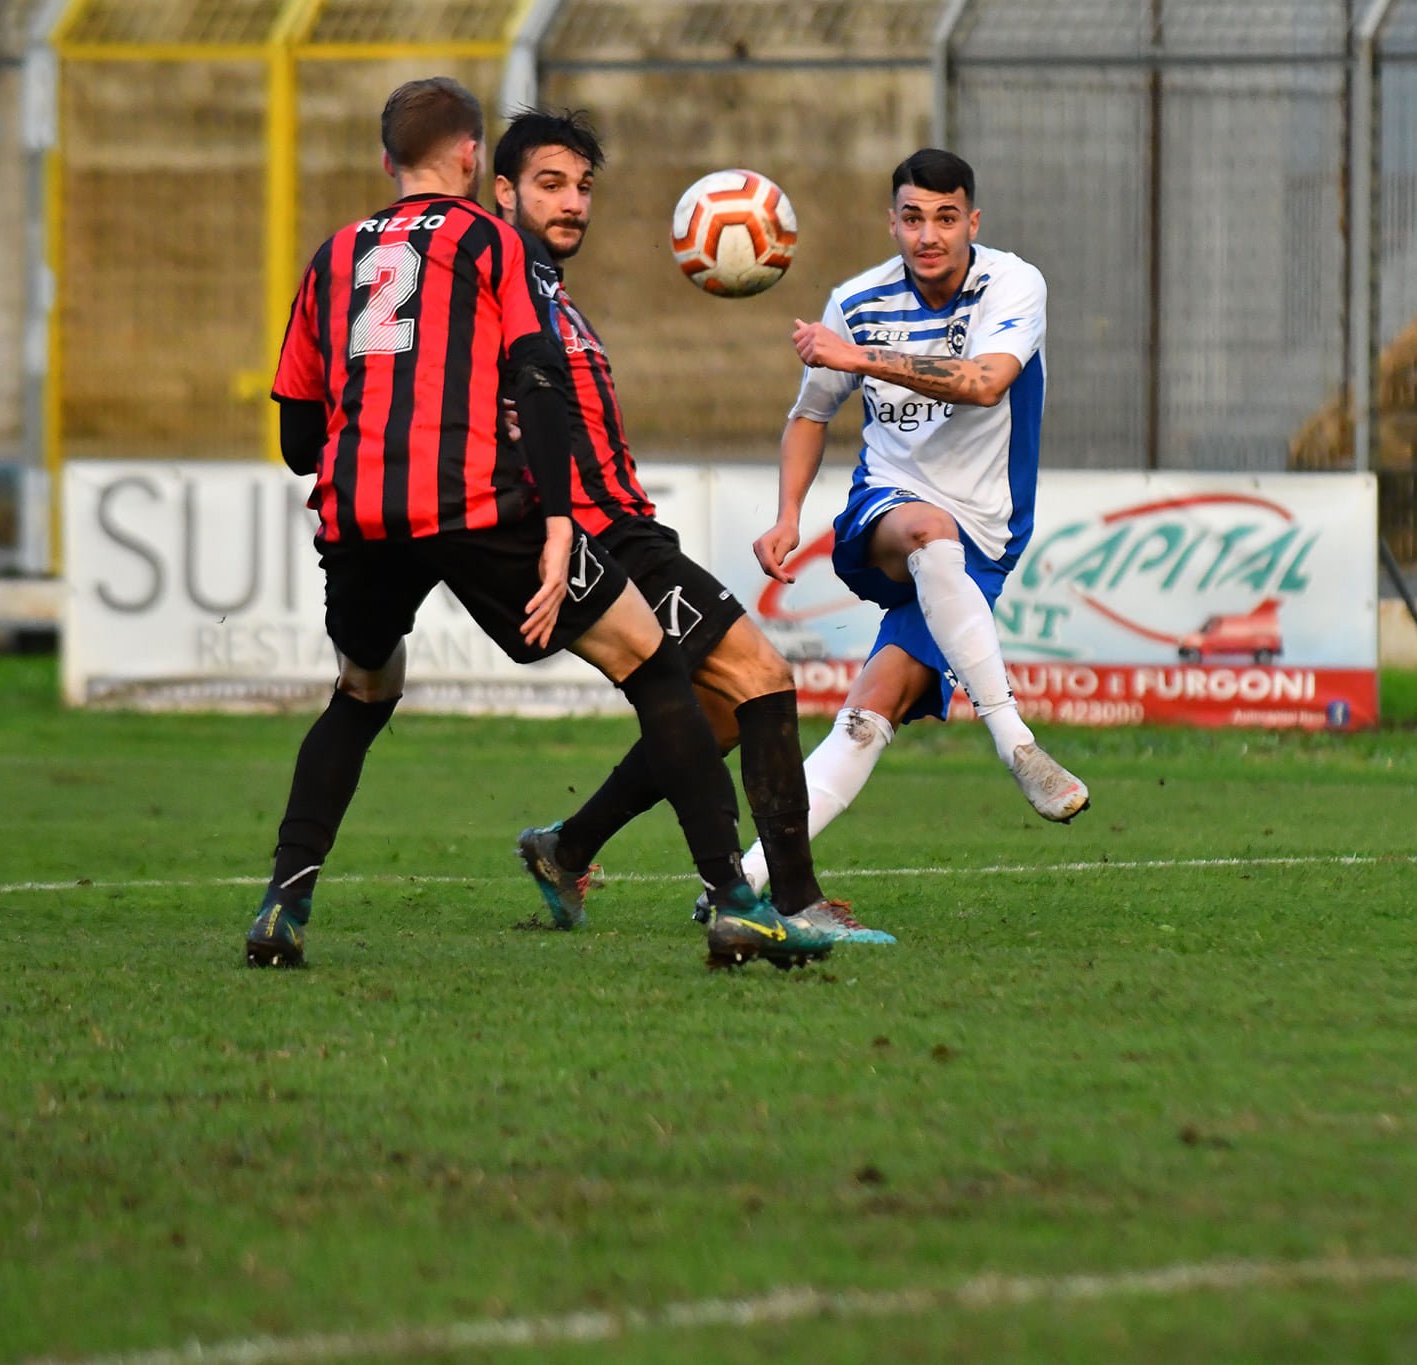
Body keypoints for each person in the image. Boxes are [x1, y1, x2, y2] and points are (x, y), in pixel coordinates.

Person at [247, 78, 832, 972]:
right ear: (478, 163)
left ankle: (283, 906)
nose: (569, 202)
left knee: (361, 694)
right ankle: (737, 903)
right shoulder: (490, 244)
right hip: (480, 501)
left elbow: (295, 437)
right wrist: (558, 521)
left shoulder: (332, 255)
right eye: (549, 183)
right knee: (655, 664)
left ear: (386, 159)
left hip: (359, 512)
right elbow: (536, 378)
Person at [487, 109, 893, 948]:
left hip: (626, 527)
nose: (572, 204)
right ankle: (792, 901)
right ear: (502, 190)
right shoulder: (497, 285)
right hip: (600, 538)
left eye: (583, 188)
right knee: (763, 676)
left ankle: (566, 849)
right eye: (550, 185)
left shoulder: (549, 289)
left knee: (711, 713)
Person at [746, 148, 1088, 889]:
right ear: (891, 223)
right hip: (888, 518)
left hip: (986, 541)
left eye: (944, 218)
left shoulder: (1013, 284)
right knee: (928, 527)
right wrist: (786, 516)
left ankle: (745, 881)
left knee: (873, 708)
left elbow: (987, 383)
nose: (927, 235)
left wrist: (862, 357)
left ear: (972, 220)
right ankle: (1017, 744)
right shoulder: (857, 299)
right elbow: (809, 415)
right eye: (911, 218)